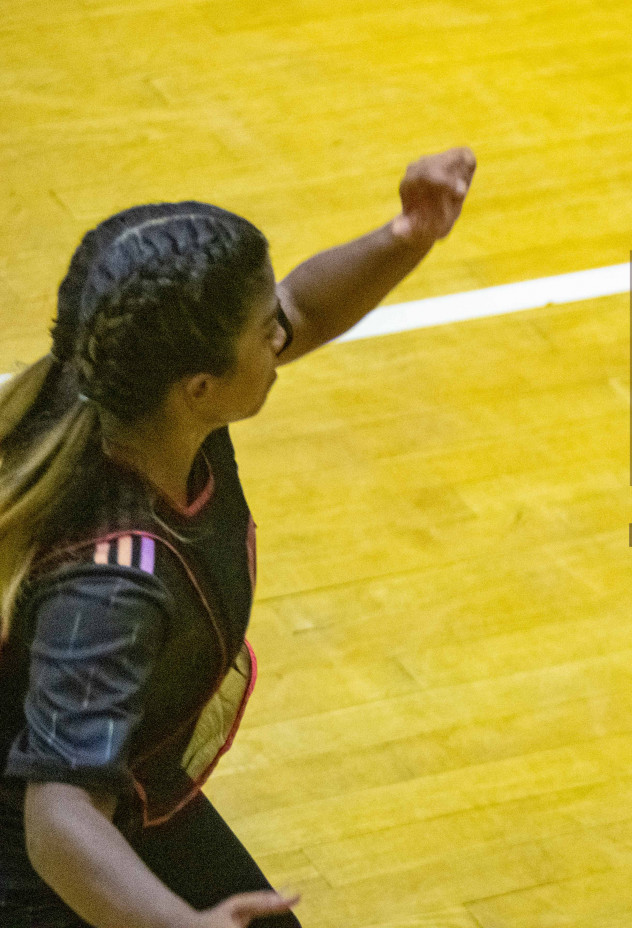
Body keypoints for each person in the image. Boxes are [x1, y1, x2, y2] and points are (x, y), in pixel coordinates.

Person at [0, 147, 475, 928]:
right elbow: (59, 817)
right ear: (199, 387)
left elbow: (304, 309)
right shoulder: (111, 582)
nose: (281, 340)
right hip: (43, 871)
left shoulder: (126, 401)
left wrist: (405, 236)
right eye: (264, 335)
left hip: (133, 786)